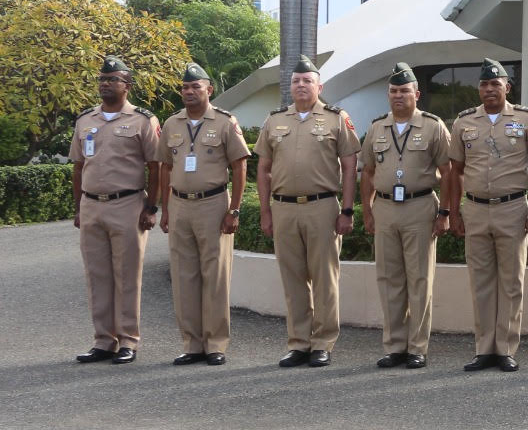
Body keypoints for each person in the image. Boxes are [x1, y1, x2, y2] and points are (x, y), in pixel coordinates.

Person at [445, 59, 528, 373]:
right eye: (484, 85)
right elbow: (455, 171)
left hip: (512, 208)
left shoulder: (526, 119)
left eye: (495, 84)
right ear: (479, 88)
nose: (489, 90)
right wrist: (454, 212)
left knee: (512, 282)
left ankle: (505, 348)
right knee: (481, 282)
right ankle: (483, 348)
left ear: (507, 87)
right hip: (475, 209)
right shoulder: (464, 123)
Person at [255, 56, 360, 368]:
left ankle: (323, 342)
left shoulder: (336, 118)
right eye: (296, 81)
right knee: (293, 278)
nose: (301, 85)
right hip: (284, 208)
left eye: (307, 80)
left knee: (325, 279)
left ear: (319, 86)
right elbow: (262, 169)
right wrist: (265, 212)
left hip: (322, 207)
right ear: (290, 86)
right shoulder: (274, 121)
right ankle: (299, 342)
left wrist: (347, 210)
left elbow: (350, 165)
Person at [360, 63, 453, 369]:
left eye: (404, 90)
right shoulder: (377, 128)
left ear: (417, 93)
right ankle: (394, 346)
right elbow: (368, 172)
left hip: (420, 206)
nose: (398, 96)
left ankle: (417, 347)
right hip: (385, 208)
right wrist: (368, 210)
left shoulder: (433, 125)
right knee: (389, 279)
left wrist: (445, 212)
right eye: (394, 91)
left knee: (420, 279)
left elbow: (448, 172)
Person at [70, 56, 161, 365]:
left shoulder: (143, 120)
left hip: (128, 205)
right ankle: (103, 341)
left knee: (127, 276)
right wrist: (78, 206)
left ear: (127, 86)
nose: (105, 84)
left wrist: (151, 206)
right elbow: (79, 166)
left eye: (112, 80)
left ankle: (128, 341)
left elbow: (156, 166)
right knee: (97, 275)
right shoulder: (85, 121)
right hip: (92, 205)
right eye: (102, 80)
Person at [157, 63, 249, 366]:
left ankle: (215, 344)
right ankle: (192, 343)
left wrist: (233, 209)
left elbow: (239, 165)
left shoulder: (224, 122)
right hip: (180, 204)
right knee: (184, 276)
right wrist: (165, 208)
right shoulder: (171, 124)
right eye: (185, 87)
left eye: (195, 87)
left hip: (213, 204)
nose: (189, 92)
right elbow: (165, 167)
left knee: (215, 276)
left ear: (209, 90)